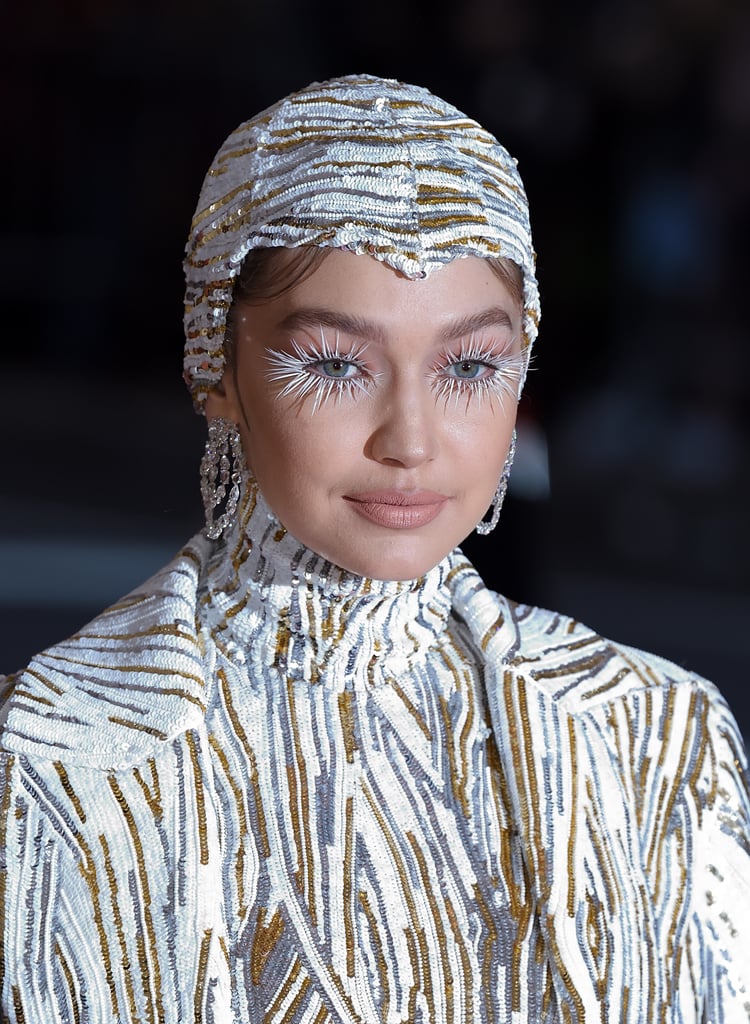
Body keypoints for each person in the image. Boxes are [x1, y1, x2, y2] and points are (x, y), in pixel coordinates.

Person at [0, 74, 748, 1024]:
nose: (412, 438)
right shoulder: (46, 760)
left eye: (470, 365)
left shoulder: (659, 736)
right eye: (334, 364)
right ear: (212, 364)